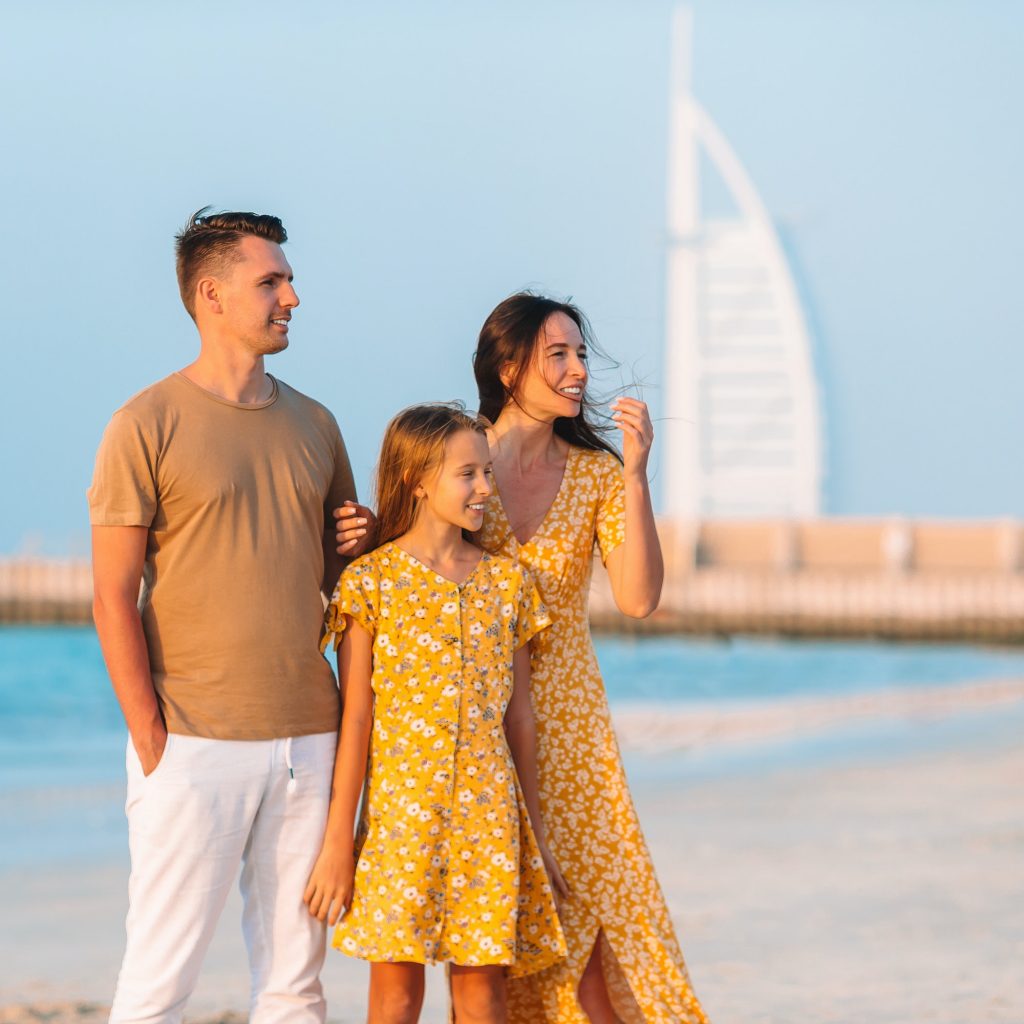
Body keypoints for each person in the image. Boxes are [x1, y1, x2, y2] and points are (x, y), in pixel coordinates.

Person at [88, 208, 371, 1023]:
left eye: (289, 280)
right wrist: (151, 737)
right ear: (211, 295)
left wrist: (366, 538)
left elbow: (341, 585)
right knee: (158, 987)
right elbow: (111, 595)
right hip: (190, 743)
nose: (292, 297)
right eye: (270, 282)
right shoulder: (144, 424)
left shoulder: (317, 424)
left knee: (295, 988)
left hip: (308, 740)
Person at [472, 293, 708, 1024]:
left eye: (580, 354)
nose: (579, 370)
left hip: (571, 727)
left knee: (597, 919)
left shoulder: (597, 474)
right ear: (507, 368)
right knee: (486, 938)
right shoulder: (458, 459)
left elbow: (639, 598)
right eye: (558, 354)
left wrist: (635, 475)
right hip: (469, 721)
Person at [305, 403, 568, 1024]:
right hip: (400, 822)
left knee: (481, 999)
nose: (485, 489)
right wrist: (339, 841)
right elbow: (357, 720)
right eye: (467, 474)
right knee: (395, 998)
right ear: (416, 481)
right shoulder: (370, 582)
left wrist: (537, 838)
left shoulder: (509, 585)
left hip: (490, 823)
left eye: (487, 472)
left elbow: (520, 721)